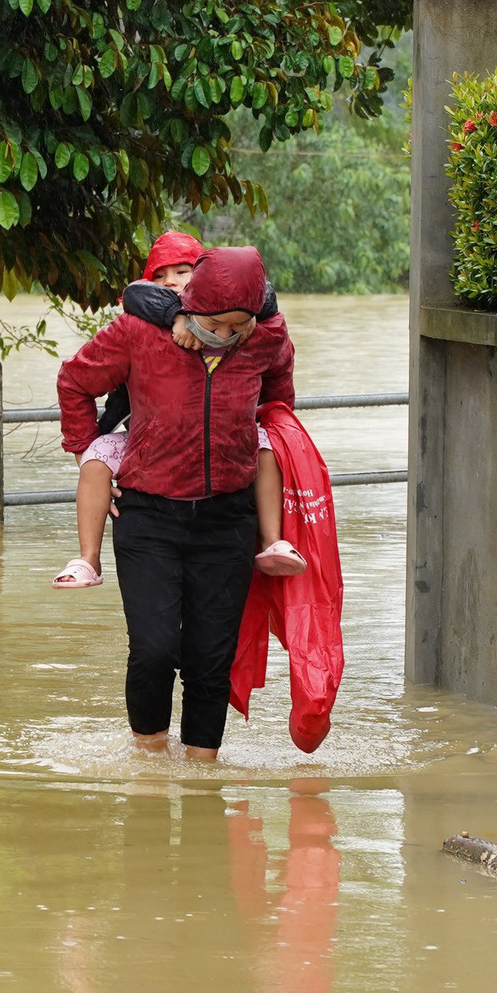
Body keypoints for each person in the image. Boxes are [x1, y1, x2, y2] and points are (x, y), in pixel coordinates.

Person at [57, 247, 295, 761]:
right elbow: (75, 381)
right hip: (147, 516)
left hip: (228, 519)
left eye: (240, 327)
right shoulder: (140, 333)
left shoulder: (268, 336)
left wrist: (277, 434)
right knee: (154, 650)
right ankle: (147, 769)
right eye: (216, 324)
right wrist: (86, 452)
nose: (228, 336)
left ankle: (202, 779)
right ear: (189, 306)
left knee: (212, 659)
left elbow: (278, 393)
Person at [53, 233, 304, 589]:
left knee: (266, 447)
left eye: (183, 271)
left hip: (224, 489)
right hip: (141, 444)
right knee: (94, 459)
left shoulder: (258, 329)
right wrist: (82, 445)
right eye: (160, 275)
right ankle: (88, 558)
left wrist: (274, 418)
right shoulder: (138, 321)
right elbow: (77, 376)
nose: (170, 281)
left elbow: (265, 303)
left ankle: (272, 540)